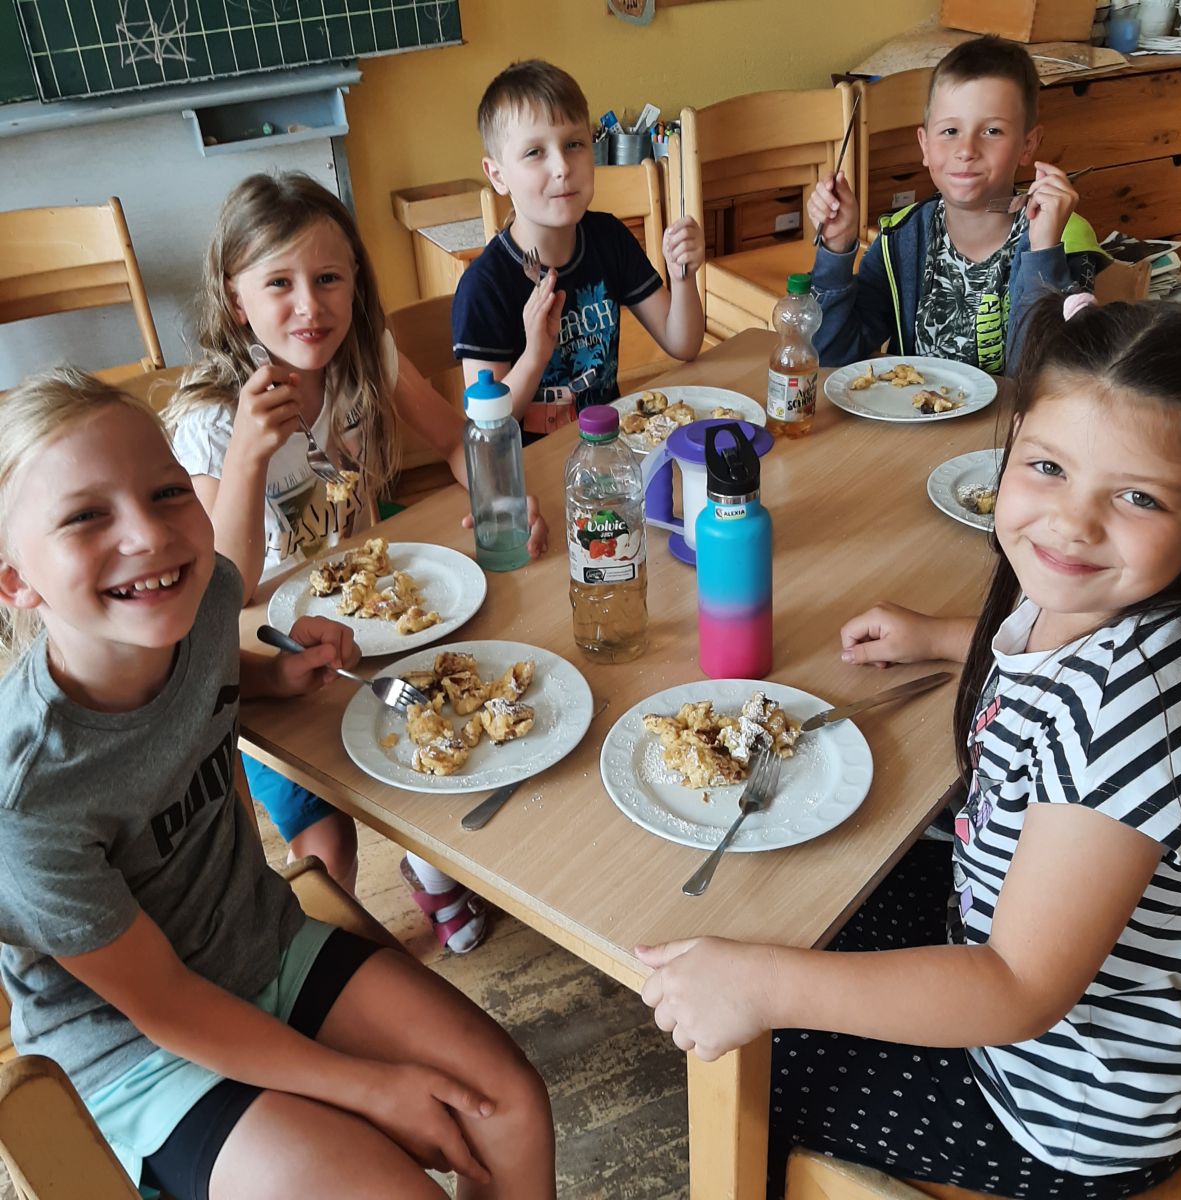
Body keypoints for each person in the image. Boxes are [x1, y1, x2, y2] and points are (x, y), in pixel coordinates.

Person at [638, 293, 1181, 1198]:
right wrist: (940, 637)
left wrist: (766, 989)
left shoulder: (1134, 704)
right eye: (1048, 467)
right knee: (799, 904)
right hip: (996, 942)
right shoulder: (1078, 602)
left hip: (1061, 1104)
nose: (1073, 522)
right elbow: (1044, 655)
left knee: (754, 1067)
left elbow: (1019, 988)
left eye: (1138, 496)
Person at [0, 368, 556, 1200]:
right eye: (85, 516)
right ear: (16, 581)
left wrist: (274, 677)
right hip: (138, 1051)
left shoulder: (198, 601)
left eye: (166, 492)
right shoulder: (28, 796)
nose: (148, 536)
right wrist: (369, 1088)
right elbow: (166, 1004)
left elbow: (210, 672)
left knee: (508, 1107)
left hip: (259, 940)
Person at [167, 172, 541, 949]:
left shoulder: (364, 356)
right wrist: (247, 456)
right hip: (267, 657)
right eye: (280, 283)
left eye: (329, 279)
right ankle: (329, 965)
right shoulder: (211, 419)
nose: (311, 306)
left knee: (460, 729)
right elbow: (225, 586)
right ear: (236, 299)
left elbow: (453, 440)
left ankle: (431, 866)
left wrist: (502, 501)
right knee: (329, 846)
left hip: (378, 625)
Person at [808, 35, 1105, 375]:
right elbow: (830, 355)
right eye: (950, 131)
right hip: (912, 409)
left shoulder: (1063, 236)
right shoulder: (902, 237)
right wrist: (836, 248)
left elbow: (1055, 379)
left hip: (1017, 412)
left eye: (992, 131)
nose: (966, 150)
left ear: (1027, 145)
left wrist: (1044, 255)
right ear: (925, 146)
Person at [452, 59, 705, 442]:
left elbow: (682, 344)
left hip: (611, 452)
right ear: (498, 175)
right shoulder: (484, 287)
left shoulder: (609, 238)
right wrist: (535, 355)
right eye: (534, 152)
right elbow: (488, 429)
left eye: (574, 144)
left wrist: (682, 275)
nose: (562, 167)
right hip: (532, 468)